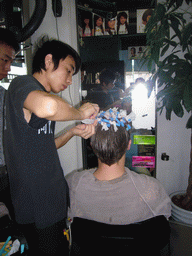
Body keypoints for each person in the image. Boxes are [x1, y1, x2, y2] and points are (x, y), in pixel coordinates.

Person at [3, 36, 99, 256]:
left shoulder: (39, 96)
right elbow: (48, 107)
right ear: (48, 61)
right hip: (39, 208)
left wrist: (73, 131)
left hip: (50, 204)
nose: (69, 80)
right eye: (68, 70)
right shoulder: (23, 85)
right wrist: (80, 113)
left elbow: (46, 145)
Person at [66, 107, 171, 225]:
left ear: (92, 146)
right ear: (128, 145)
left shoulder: (73, 184)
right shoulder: (151, 188)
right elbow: (164, 221)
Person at [0, 27, 20, 219]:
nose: (8, 68)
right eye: (4, 60)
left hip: (5, 175)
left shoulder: (5, 96)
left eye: (10, 62)